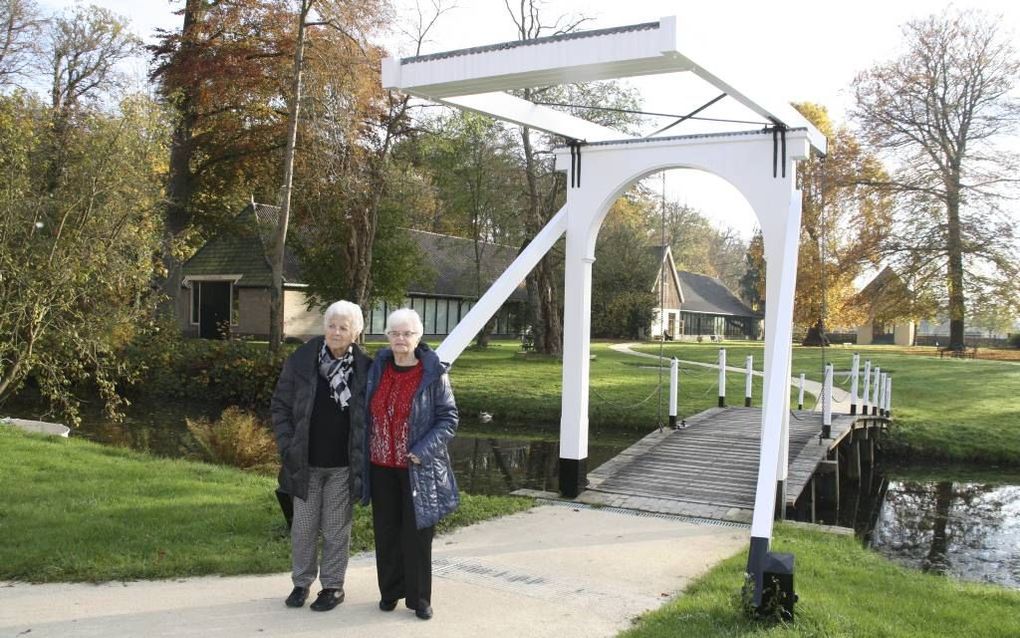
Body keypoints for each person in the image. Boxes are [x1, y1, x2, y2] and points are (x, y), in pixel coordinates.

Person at [271, 300, 371, 612]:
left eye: (344, 327)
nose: (336, 332)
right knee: (302, 527)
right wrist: (288, 446)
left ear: (355, 332)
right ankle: (301, 583)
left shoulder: (366, 369)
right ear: (324, 327)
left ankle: (332, 587)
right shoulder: (302, 360)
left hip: (343, 465)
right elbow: (280, 406)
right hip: (305, 463)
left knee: (336, 529)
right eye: (332, 325)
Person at [362, 308, 459, 621]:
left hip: (418, 468)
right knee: (386, 532)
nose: (400, 339)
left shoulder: (433, 373)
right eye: (395, 333)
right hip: (380, 465)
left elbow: (448, 419)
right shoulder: (378, 367)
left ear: (419, 337)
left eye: (407, 334)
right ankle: (390, 592)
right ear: (387, 336)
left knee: (416, 535)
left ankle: (419, 599)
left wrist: (421, 450)